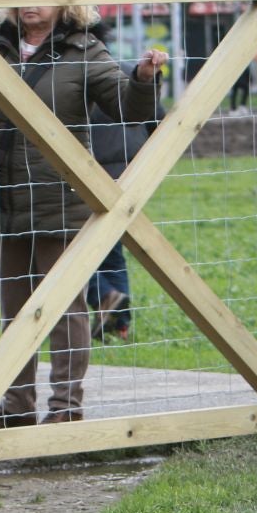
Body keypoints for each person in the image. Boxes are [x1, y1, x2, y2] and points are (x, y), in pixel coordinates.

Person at [0, 0, 165, 427]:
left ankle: (66, 409)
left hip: (63, 203)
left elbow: (128, 107)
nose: (30, 3)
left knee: (66, 312)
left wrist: (144, 79)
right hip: (4, 203)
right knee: (15, 312)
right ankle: (16, 407)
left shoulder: (85, 51)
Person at [86, 86, 161, 341]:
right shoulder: (131, 74)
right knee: (114, 248)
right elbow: (157, 119)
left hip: (92, 169)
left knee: (74, 247)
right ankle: (121, 324)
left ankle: (104, 295)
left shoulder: (73, 74)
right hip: (133, 169)